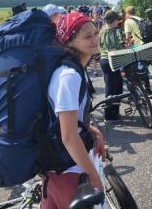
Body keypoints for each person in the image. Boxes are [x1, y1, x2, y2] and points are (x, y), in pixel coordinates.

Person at [41, 12, 105, 209]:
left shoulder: (74, 70)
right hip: (68, 169)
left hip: (58, 167)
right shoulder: (69, 76)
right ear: (68, 42)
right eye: (87, 36)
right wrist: (93, 175)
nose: (95, 39)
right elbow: (68, 137)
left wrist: (90, 127)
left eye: (95, 33)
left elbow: (65, 118)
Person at [99, 10, 124, 121]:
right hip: (109, 61)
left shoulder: (110, 29)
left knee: (118, 86)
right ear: (112, 21)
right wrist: (123, 49)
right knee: (111, 89)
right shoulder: (108, 31)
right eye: (117, 20)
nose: (119, 21)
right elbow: (111, 49)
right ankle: (109, 115)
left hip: (112, 60)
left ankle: (115, 112)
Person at [91, 7, 104, 76]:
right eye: (96, 14)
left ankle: (103, 70)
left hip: (101, 41)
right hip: (93, 42)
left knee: (101, 57)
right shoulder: (90, 22)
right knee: (94, 58)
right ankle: (95, 71)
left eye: (99, 14)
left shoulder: (102, 22)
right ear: (93, 14)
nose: (97, 16)